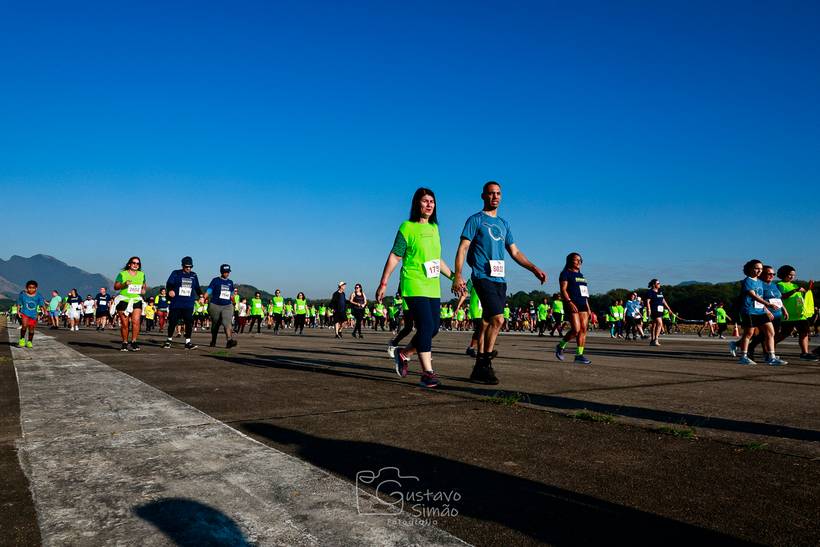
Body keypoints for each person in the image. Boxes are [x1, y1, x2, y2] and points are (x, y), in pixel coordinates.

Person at [452, 181, 546, 384]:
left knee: (487, 321)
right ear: (483, 196)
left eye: (498, 194)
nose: (495, 197)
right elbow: (463, 248)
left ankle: (479, 367)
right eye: (491, 193)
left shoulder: (504, 224)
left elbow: (515, 252)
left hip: (500, 279)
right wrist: (458, 274)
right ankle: (485, 361)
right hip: (481, 276)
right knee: (499, 319)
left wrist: (534, 268)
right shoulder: (475, 220)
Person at [377, 187, 454, 388]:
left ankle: (404, 354)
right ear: (417, 204)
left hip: (432, 286)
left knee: (434, 328)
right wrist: (384, 282)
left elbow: (436, 259)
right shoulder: (407, 227)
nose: (429, 205)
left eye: (432, 201)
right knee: (426, 326)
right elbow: (395, 255)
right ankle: (427, 373)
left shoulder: (434, 228)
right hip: (413, 283)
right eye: (425, 201)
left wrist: (453, 277)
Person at [728, 259, 781, 365]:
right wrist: (768, 304)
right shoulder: (748, 281)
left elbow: (762, 296)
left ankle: (772, 357)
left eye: (761, 269)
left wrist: (766, 310)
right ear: (750, 269)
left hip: (760, 311)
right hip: (749, 311)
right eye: (756, 268)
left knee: (770, 333)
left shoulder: (760, 282)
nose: (759, 271)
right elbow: (753, 295)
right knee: (749, 333)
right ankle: (743, 356)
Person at [554, 253, 592, 364]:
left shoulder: (581, 275)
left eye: (580, 260)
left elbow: (585, 293)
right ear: (570, 261)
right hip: (572, 303)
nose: (579, 262)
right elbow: (563, 289)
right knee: (576, 329)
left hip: (583, 304)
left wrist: (588, 307)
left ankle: (579, 355)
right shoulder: (565, 273)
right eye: (576, 260)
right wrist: (569, 302)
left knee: (583, 329)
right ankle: (560, 346)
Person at [775, 265, 817, 361]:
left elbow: (801, 298)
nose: (792, 277)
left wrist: (808, 290)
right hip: (789, 315)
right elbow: (782, 297)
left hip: (800, 315)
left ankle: (804, 353)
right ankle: (769, 346)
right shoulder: (780, 284)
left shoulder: (795, 285)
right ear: (783, 274)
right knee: (785, 333)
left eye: (793, 275)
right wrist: (795, 290)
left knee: (804, 333)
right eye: (790, 275)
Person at [163, 256, 203, 350]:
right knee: (173, 322)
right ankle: (169, 340)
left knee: (189, 322)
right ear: (182, 266)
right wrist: (170, 290)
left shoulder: (194, 275)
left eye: (190, 267)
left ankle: (188, 342)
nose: (188, 268)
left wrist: (201, 296)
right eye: (186, 267)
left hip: (188, 303)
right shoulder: (176, 273)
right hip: (176, 303)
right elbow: (169, 284)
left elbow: (197, 287)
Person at [113, 256, 146, 351]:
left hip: (136, 300)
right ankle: (124, 342)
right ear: (129, 264)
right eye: (134, 263)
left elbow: (144, 287)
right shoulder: (122, 274)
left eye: (138, 263)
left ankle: (134, 341)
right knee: (125, 324)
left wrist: (143, 290)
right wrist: (124, 284)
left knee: (136, 322)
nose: (136, 265)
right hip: (124, 300)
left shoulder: (142, 274)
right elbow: (115, 287)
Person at [206, 264, 238, 348]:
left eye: (228, 272)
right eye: (225, 272)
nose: (227, 273)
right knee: (215, 325)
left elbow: (231, 294)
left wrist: (234, 303)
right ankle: (213, 340)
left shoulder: (230, 282)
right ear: (221, 272)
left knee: (227, 322)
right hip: (215, 305)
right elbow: (209, 290)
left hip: (227, 305)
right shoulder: (215, 280)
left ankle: (229, 340)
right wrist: (204, 297)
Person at [645, 279, 675, 347]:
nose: (659, 284)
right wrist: (649, 309)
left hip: (660, 310)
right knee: (660, 323)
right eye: (658, 283)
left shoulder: (660, 291)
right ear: (654, 284)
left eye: (659, 283)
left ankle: (652, 340)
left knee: (654, 324)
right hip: (654, 309)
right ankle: (656, 339)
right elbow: (648, 301)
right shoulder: (650, 292)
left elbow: (663, 300)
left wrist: (669, 308)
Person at [16, 280, 46, 348]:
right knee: (24, 325)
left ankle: (29, 341)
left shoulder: (38, 296)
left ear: (36, 288)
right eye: (29, 287)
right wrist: (18, 311)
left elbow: (42, 304)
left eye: (33, 288)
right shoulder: (23, 295)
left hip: (33, 315)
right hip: (25, 313)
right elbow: (19, 304)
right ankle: (22, 339)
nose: (31, 289)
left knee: (31, 329)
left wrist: (45, 311)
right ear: (26, 288)